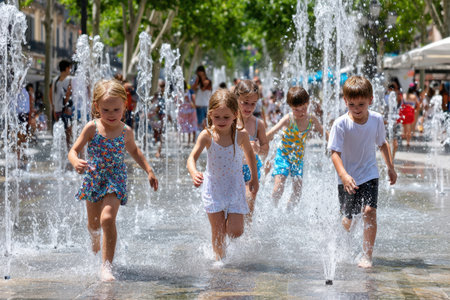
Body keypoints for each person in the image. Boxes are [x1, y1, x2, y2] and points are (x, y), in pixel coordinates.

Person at [68, 79, 158, 281]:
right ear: (96, 107)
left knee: (107, 218)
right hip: (94, 178)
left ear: (125, 107)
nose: (111, 115)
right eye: (106, 110)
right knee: (93, 226)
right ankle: (96, 250)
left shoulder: (126, 132)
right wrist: (75, 161)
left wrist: (149, 170)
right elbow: (73, 150)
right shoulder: (92, 128)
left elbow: (134, 151)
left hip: (115, 178)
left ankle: (106, 266)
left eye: (116, 110)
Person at [328, 76, 397, 269]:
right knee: (348, 220)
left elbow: (382, 144)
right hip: (347, 178)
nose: (357, 108)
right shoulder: (340, 124)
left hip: (369, 173)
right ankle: (340, 244)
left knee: (369, 211)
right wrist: (343, 175)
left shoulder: (375, 119)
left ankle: (367, 255)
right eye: (352, 104)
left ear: (371, 100)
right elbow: (334, 153)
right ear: (345, 101)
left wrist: (390, 167)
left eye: (361, 104)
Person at [187, 88, 259, 261]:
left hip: (235, 185)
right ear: (210, 114)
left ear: (235, 114)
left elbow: (250, 155)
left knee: (236, 231)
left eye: (226, 117)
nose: (221, 121)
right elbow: (191, 158)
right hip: (214, 187)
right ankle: (220, 263)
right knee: (217, 232)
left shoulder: (240, 135)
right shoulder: (207, 135)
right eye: (217, 117)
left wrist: (254, 178)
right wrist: (193, 172)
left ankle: (225, 233)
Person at [266, 86, 325, 207]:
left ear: (308, 103)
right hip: (283, 156)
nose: (301, 112)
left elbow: (324, 133)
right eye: (296, 110)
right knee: (278, 188)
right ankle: (271, 210)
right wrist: (257, 141)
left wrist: (338, 142)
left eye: (304, 108)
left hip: (297, 159)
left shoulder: (311, 119)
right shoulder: (289, 119)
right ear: (290, 107)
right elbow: (272, 132)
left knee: (297, 192)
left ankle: (288, 213)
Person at [234, 80, 269, 221]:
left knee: (249, 200)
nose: (249, 107)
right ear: (237, 99)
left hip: (251, 168)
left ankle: (247, 232)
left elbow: (266, 148)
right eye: (245, 102)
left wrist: (258, 149)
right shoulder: (228, 120)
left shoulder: (257, 124)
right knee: (232, 203)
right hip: (232, 169)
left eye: (253, 104)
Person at [50, 59, 73, 149]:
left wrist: (53, 107)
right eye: (70, 68)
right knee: (68, 133)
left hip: (57, 110)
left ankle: (62, 152)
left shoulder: (55, 80)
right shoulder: (70, 80)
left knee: (60, 133)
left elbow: (50, 94)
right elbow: (68, 94)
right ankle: (68, 152)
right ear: (67, 68)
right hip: (67, 110)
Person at [192, 65, 212, 130]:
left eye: (200, 72)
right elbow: (193, 88)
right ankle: (201, 136)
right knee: (200, 123)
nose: (199, 74)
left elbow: (203, 88)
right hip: (199, 105)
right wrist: (197, 80)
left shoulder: (208, 81)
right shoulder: (197, 81)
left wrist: (202, 78)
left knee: (206, 123)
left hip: (206, 105)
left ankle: (206, 136)